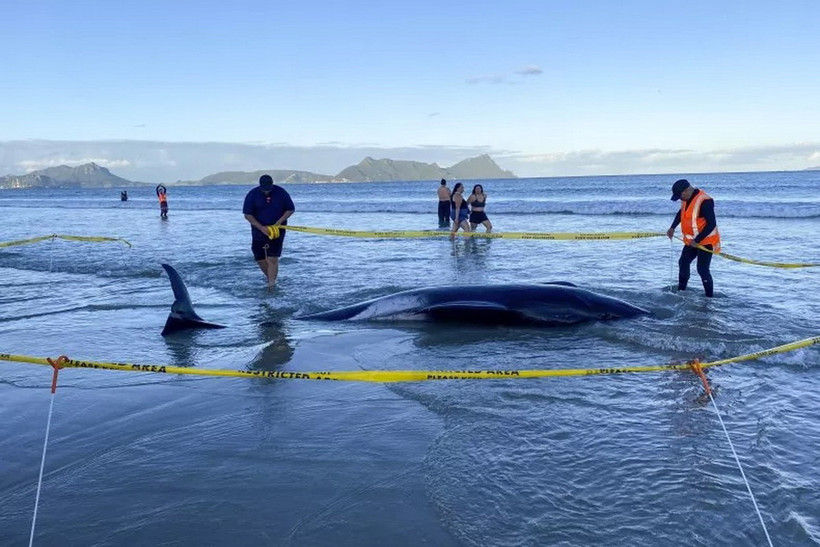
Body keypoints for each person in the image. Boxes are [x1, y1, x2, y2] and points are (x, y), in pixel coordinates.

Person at [666, 179, 720, 297]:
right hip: (692, 241)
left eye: (680, 196)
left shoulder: (705, 201)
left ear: (686, 191)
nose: (680, 199)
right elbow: (681, 213)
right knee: (683, 262)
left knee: (702, 269)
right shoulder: (686, 199)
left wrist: (697, 240)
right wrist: (672, 227)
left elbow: (712, 224)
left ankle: (709, 298)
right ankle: (681, 291)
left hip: (706, 241)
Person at [243, 174, 295, 291]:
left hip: (277, 229)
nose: (266, 192)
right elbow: (247, 215)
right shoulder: (252, 194)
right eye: (264, 189)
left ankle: (272, 284)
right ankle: (270, 276)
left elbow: (290, 209)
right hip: (258, 228)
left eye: (268, 189)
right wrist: (261, 228)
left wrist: (279, 222)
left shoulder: (281, 192)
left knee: (272, 257)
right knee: (259, 256)